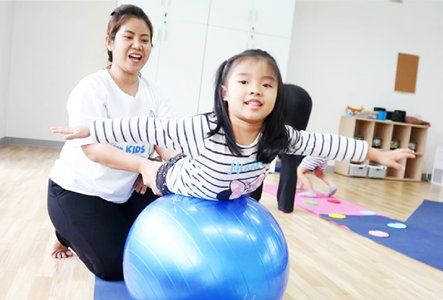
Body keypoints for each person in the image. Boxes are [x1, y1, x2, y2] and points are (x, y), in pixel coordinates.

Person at [52, 49, 415, 203]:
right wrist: (91, 129)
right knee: (159, 171)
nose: (255, 89)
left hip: (233, 191)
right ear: (225, 92)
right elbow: (145, 129)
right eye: (244, 82)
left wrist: (376, 153)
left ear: (277, 95)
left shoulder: (278, 136)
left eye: (267, 84)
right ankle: (147, 169)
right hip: (179, 181)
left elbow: (326, 143)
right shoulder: (201, 128)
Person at [47, 4, 177, 280]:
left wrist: (164, 163)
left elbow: (165, 142)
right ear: (110, 42)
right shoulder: (91, 88)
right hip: (77, 191)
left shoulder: (155, 94)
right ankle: (65, 231)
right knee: (114, 267)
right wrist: (142, 164)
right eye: (128, 37)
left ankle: (96, 228)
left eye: (144, 39)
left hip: (123, 192)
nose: (137, 45)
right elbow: (94, 150)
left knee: (162, 233)